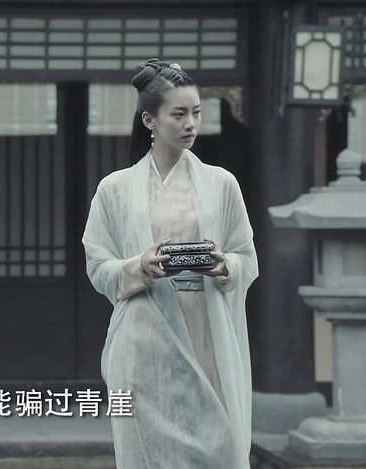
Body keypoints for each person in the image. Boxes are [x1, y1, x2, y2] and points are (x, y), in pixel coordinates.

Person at [82, 58, 258, 468]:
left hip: (206, 328)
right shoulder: (115, 188)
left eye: (196, 112)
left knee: (217, 447)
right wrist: (139, 266)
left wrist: (223, 266)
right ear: (150, 120)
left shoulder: (222, 183)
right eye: (178, 114)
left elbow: (246, 256)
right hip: (144, 331)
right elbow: (98, 265)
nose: (190, 123)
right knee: (149, 451)